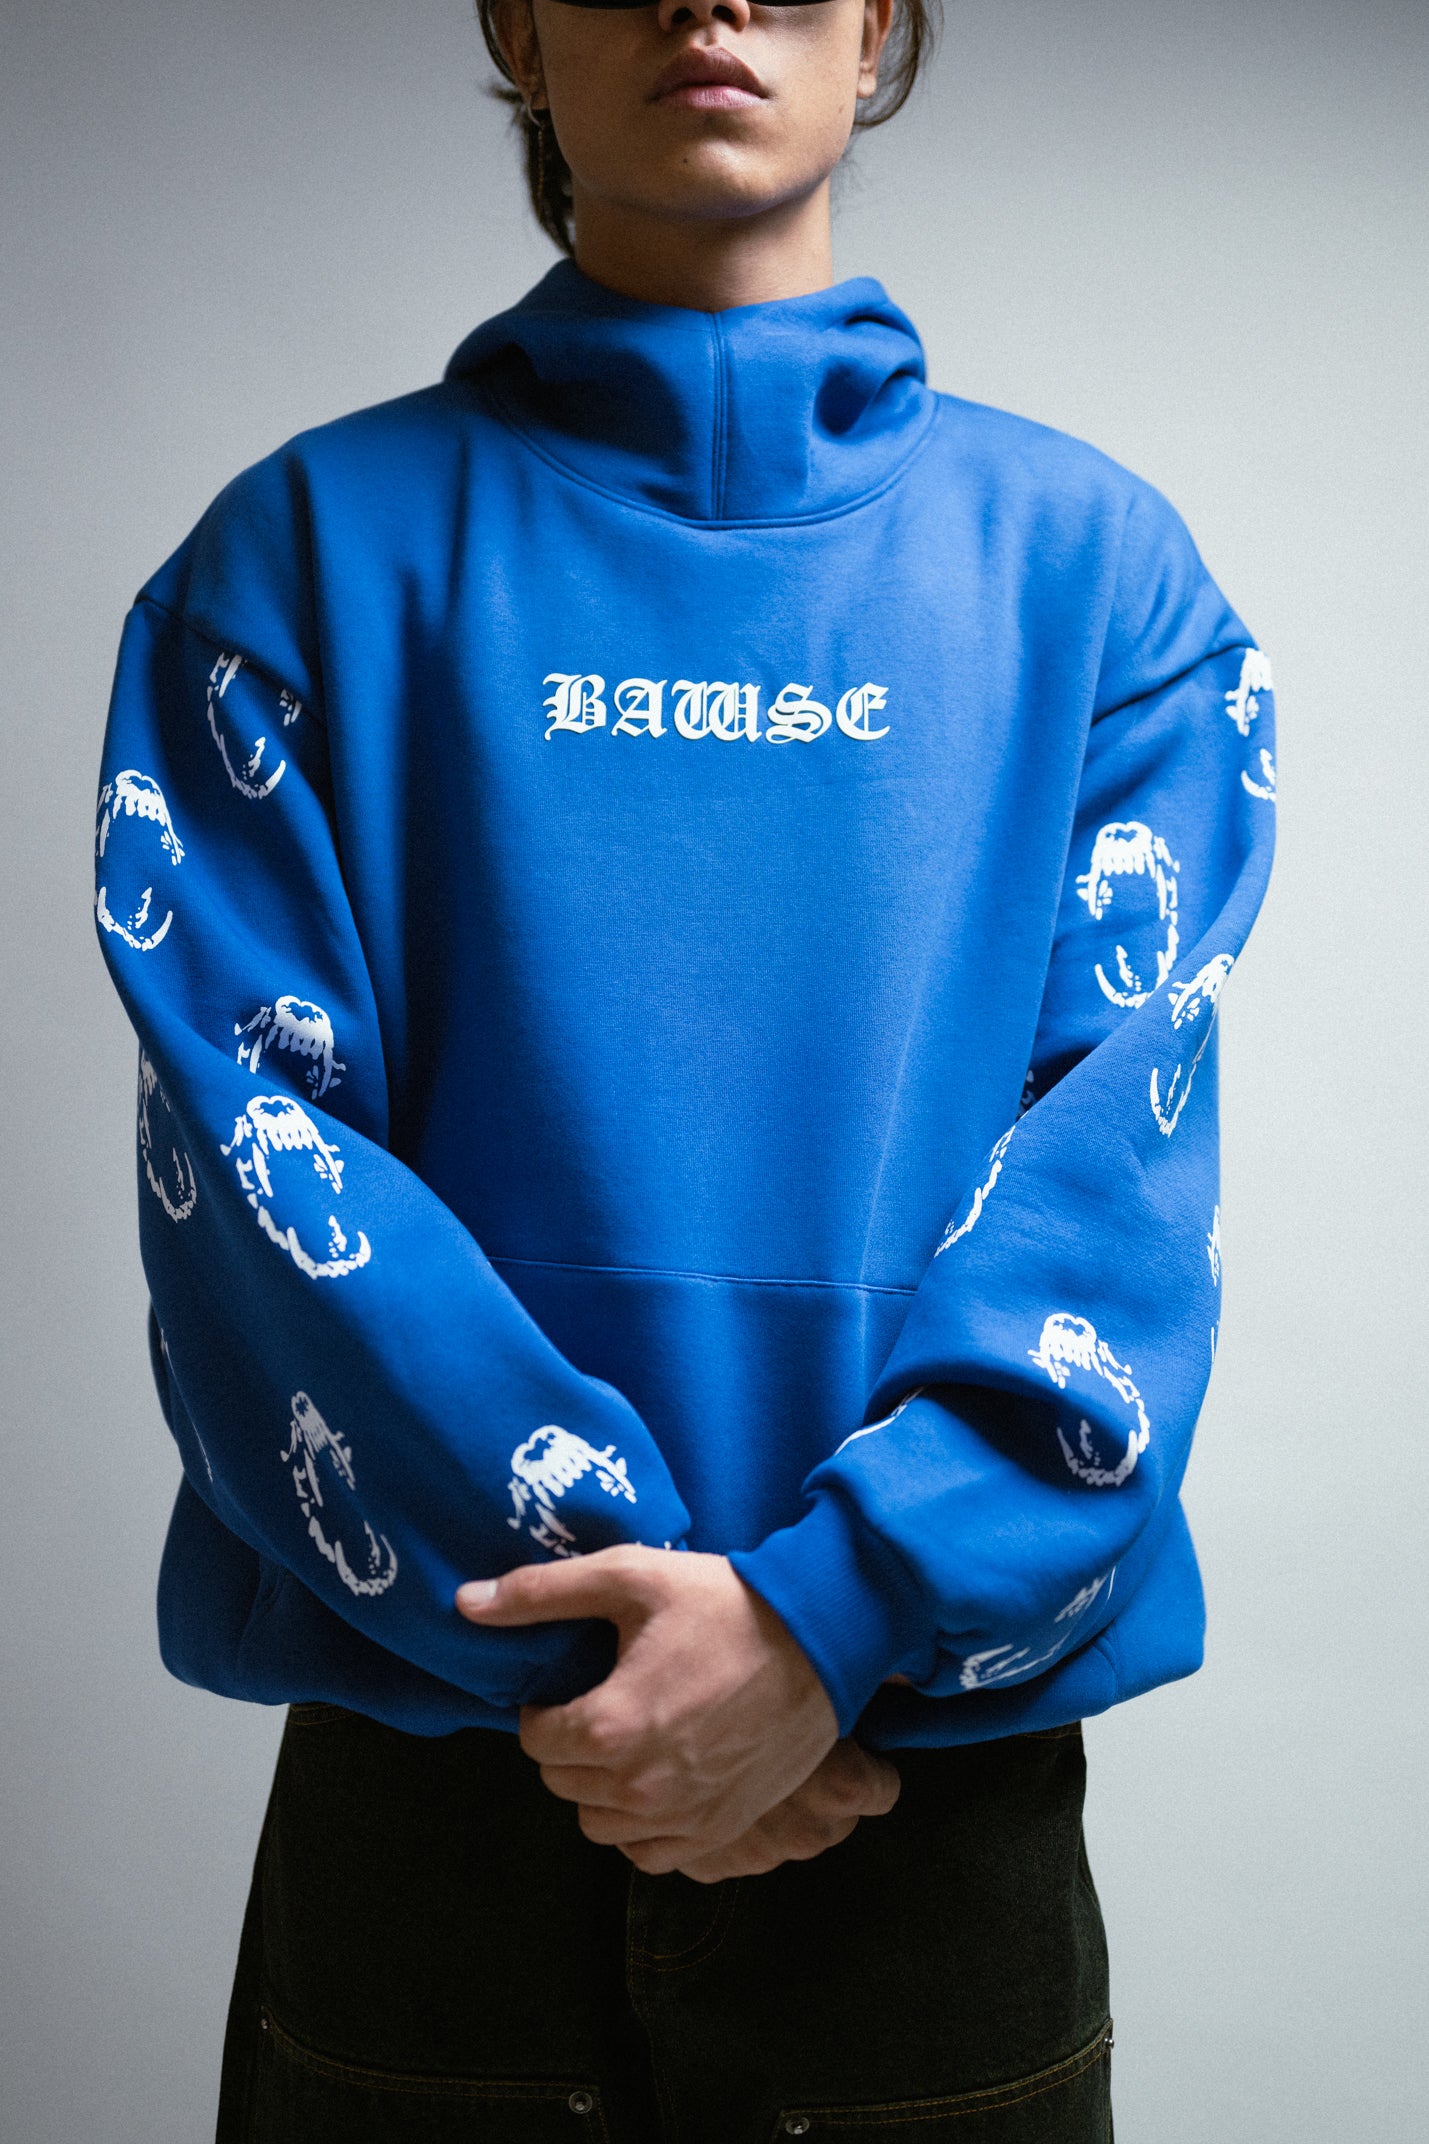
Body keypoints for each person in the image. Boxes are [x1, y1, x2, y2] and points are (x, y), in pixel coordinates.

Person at [93, 0, 1276, 2134]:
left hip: (918, 1794)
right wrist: (655, 1669)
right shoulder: (295, 562)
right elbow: (255, 1161)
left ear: (880, 22)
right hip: (439, 1803)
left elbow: (1115, 1179)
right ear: (519, 25)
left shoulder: (1099, 580)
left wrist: (822, 1623)